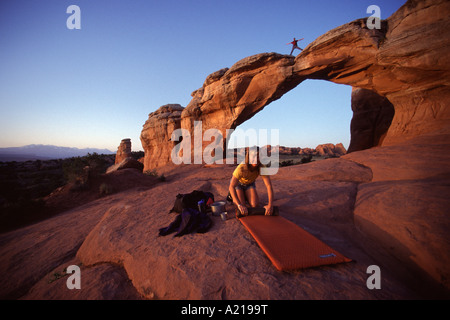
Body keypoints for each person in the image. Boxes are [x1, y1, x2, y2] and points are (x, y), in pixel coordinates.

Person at [228, 147, 274, 216]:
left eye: (258, 157)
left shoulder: (262, 167)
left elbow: (268, 186)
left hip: (249, 184)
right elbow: (231, 186)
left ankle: (245, 195)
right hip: (238, 185)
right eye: (253, 157)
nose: (255, 160)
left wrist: (270, 205)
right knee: (242, 207)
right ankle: (230, 196)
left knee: (254, 205)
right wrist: (238, 204)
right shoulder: (241, 168)